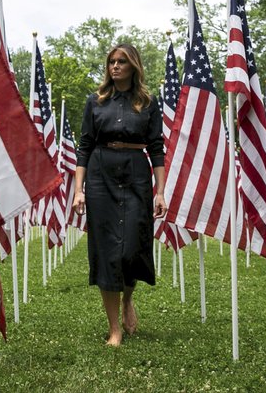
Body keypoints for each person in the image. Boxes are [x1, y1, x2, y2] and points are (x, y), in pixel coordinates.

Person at [72, 43, 167, 347]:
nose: (115, 66)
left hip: (136, 175)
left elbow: (156, 149)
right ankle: (115, 328)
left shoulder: (148, 103)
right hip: (101, 177)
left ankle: (128, 299)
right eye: (112, 61)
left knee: (131, 248)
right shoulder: (95, 102)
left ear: (133, 66)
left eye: (121, 61)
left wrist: (161, 192)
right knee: (106, 251)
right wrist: (79, 190)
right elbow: (84, 146)